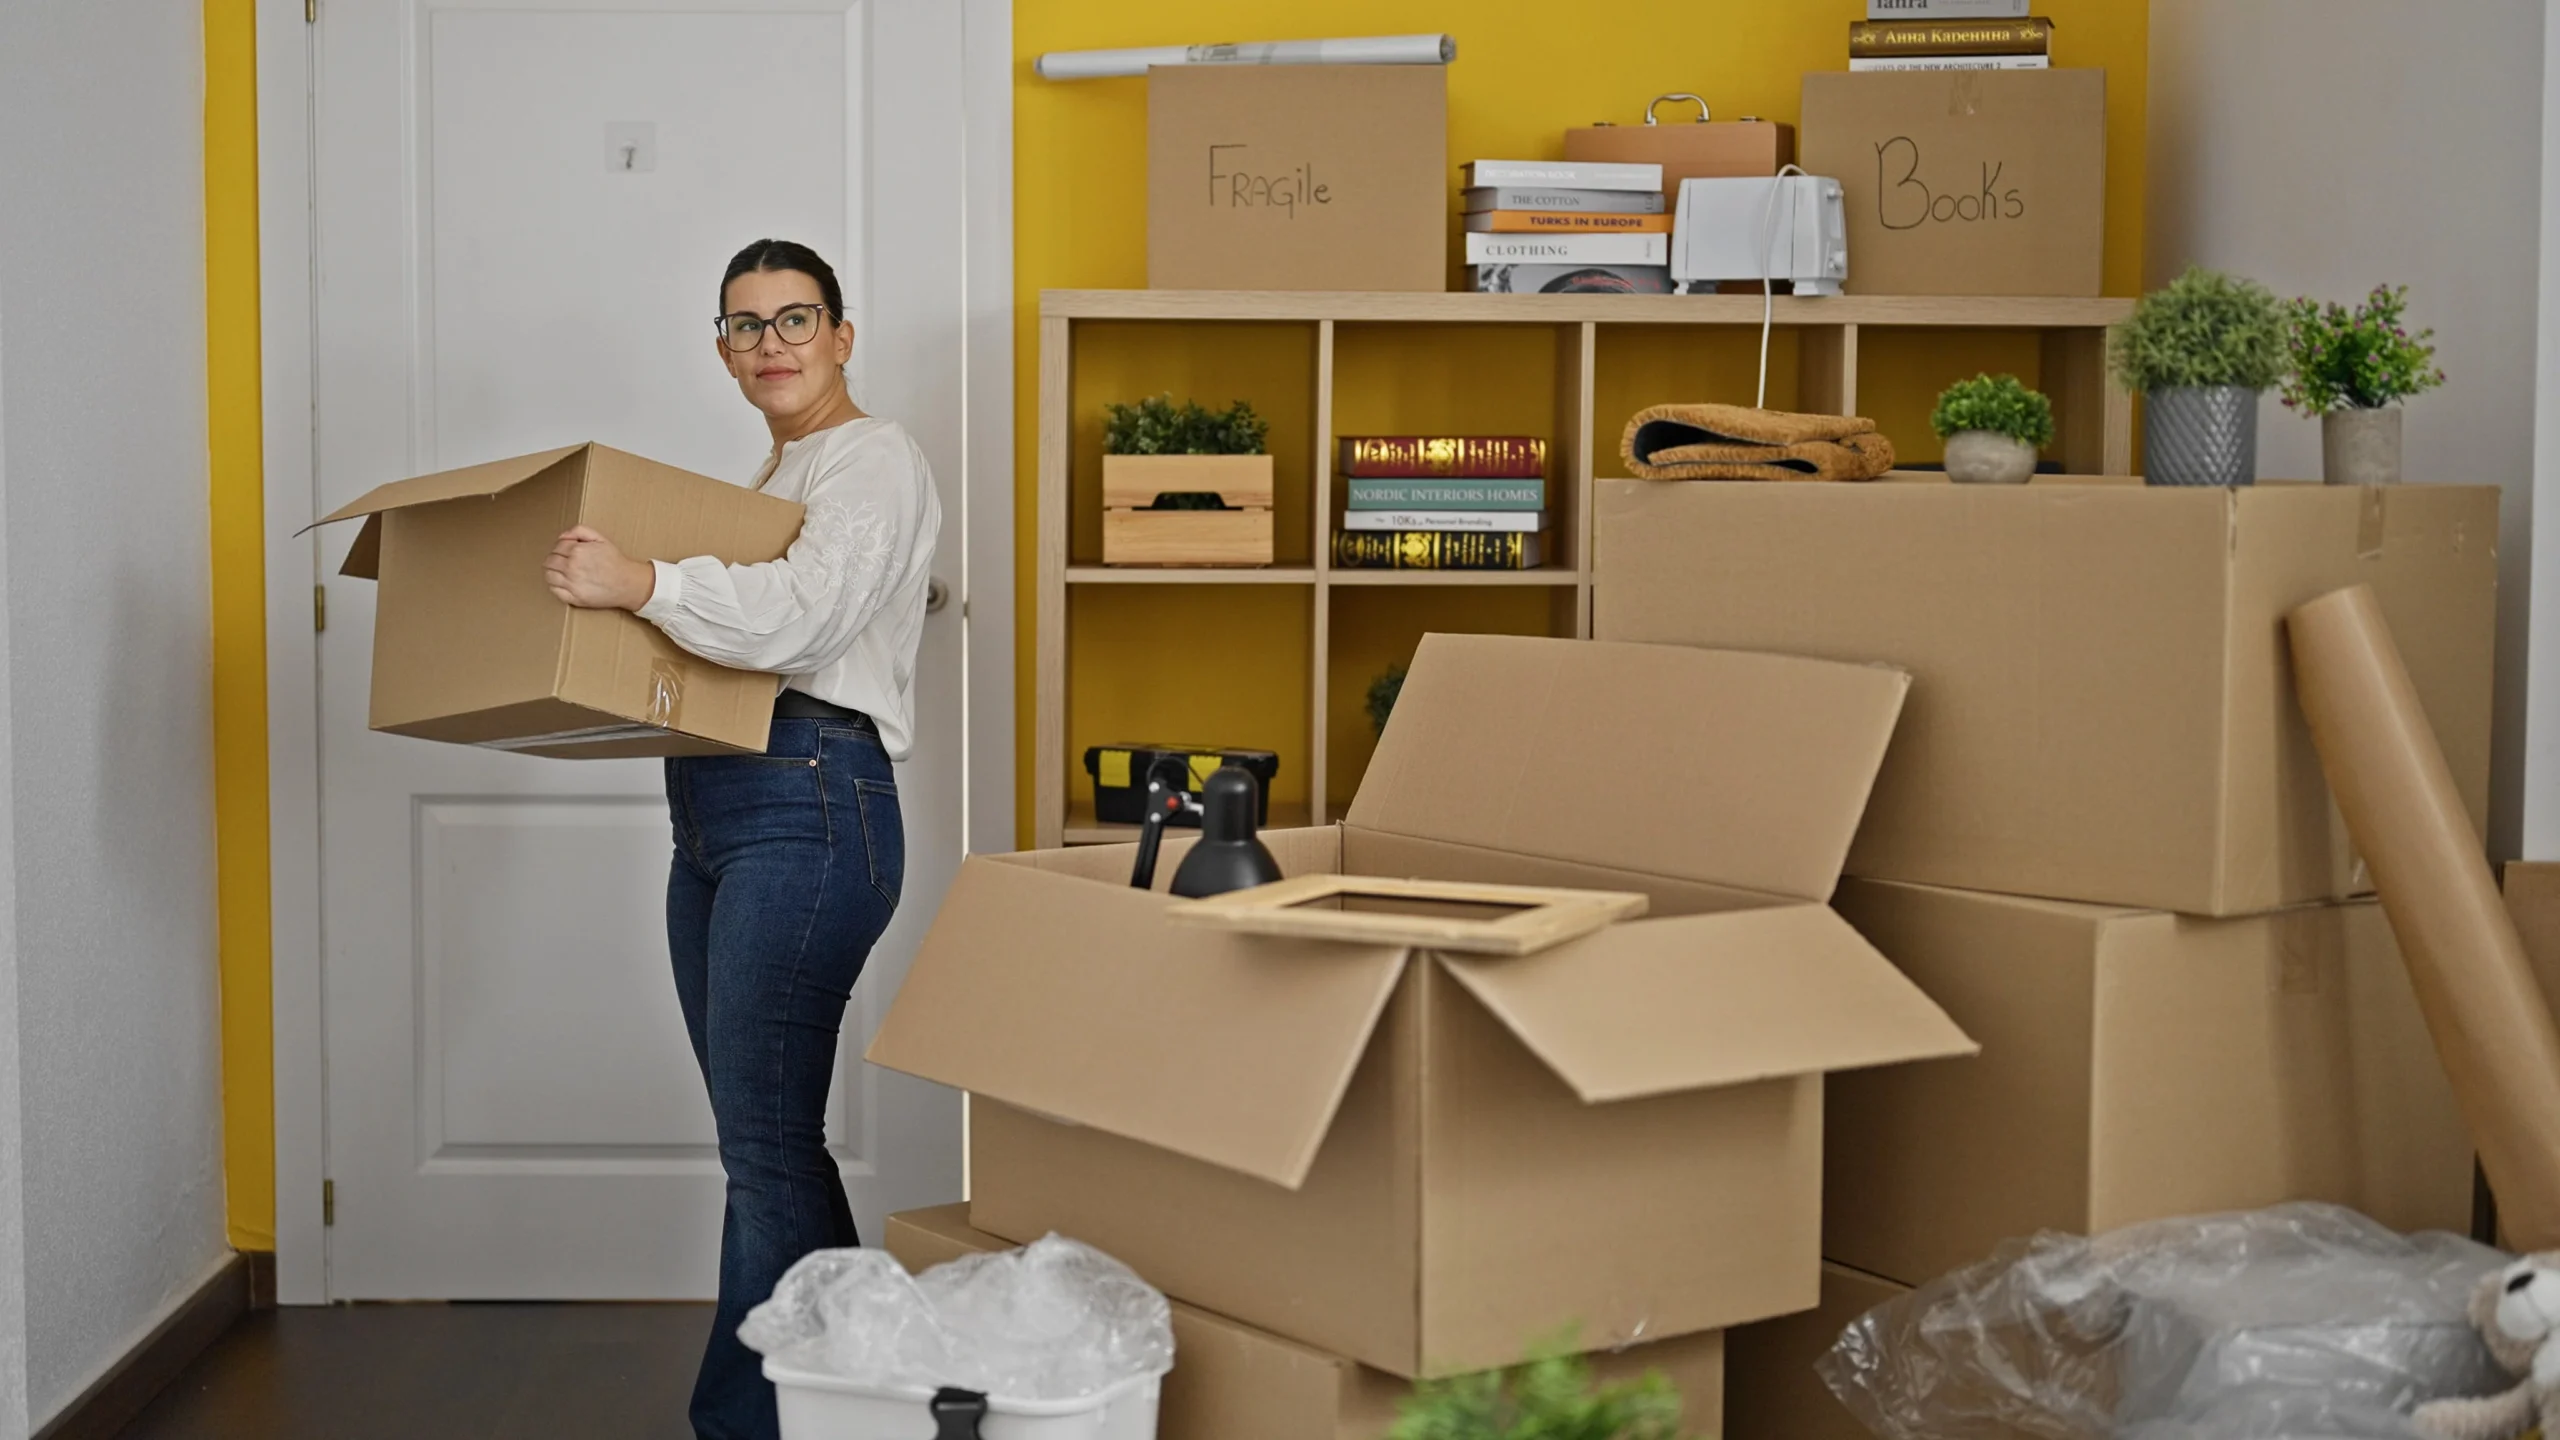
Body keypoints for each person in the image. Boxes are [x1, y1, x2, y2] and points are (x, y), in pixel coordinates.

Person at [542, 238, 941, 1440]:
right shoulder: (774, 475)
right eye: (745, 325)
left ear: (842, 334)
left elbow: (802, 618)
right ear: (722, 352)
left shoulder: (872, 458)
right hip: (718, 809)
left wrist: (643, 583)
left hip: (809, 801)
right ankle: (841, 1407)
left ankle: (757, 1425)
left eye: (794, 318)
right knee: (761, 1147)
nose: (771, 343)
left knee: (766, 1147)